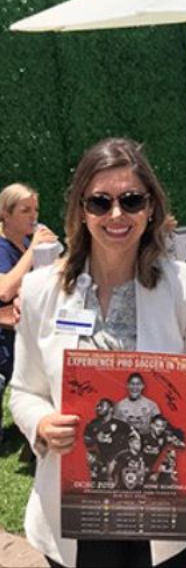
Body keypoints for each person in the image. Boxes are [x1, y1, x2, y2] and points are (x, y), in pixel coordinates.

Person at [9, 138, 186, 568]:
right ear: (81, 210)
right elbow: (23, 391)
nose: (116, 215)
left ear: (151, 208)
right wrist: (41, 424)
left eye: (131, 200)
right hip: (76, 507)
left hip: (167, 508)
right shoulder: (39, 291)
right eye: (99, 202)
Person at [0, 183, 58, 440]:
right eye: (25, 210)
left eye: (35, 210)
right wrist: (34, 249)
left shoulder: (25, 242)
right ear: (5, 214)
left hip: (23, 330)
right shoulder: (3, 248)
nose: (33, 216)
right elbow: (4, 291)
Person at [83, 398, 132, 485]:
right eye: (98, 406)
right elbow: (85, 442)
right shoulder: (92, 424)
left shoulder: (122, 425)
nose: (98, 408)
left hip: (118, 462)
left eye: (102, 405)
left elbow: (133, 438)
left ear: (111, 409)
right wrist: (95, 438)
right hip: (99, 460)